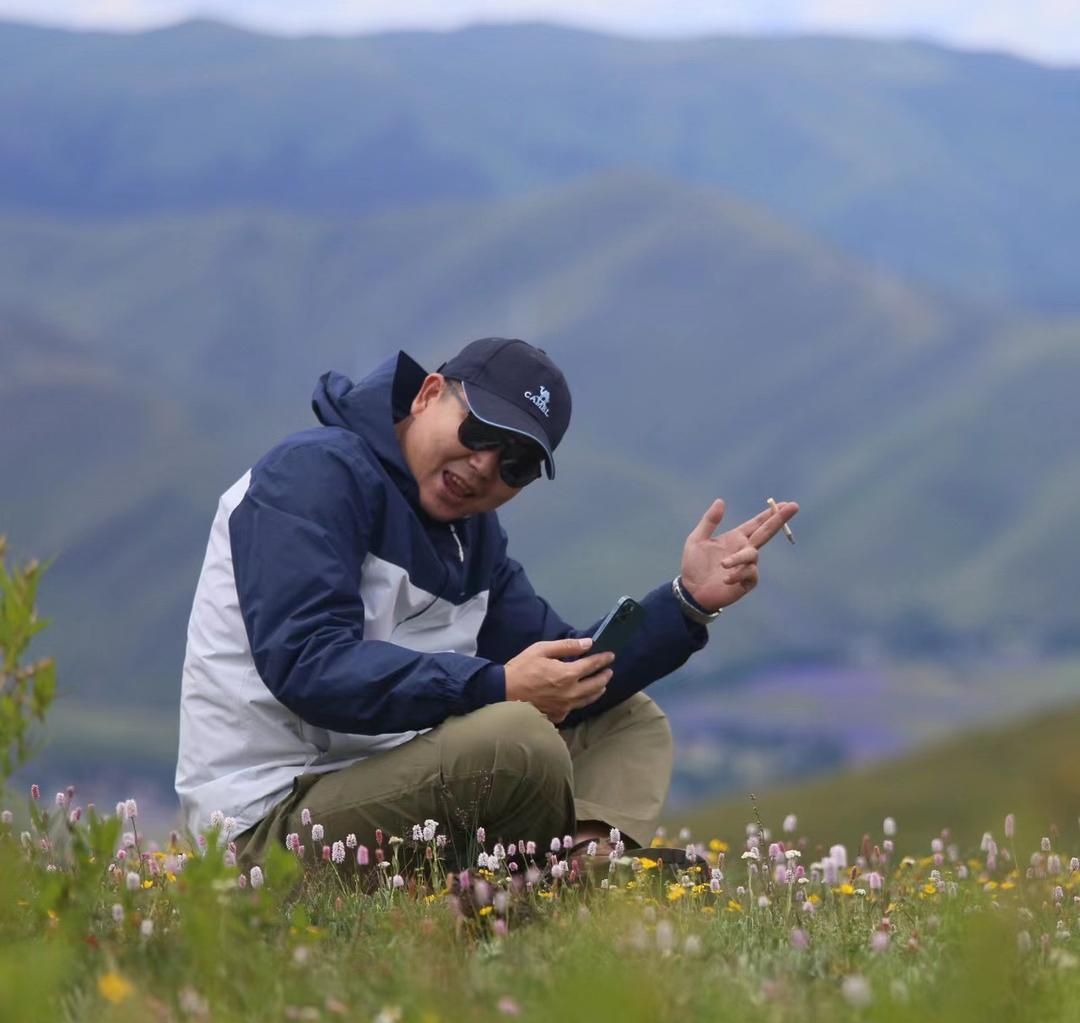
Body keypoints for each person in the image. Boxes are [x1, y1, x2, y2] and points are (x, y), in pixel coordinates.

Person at [175, 338, 798, 870]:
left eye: (517, 464)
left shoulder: (471, 539)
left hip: (388, 790)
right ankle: (536, 890)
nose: (483, 467)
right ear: (428, 395)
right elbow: (308, 666)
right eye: (481, 432)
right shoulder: (312, 476)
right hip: (269, 828)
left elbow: (571, 668)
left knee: (629, 721)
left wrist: (686, 603)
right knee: (515, 735)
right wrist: (494, 688)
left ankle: (581, 876)